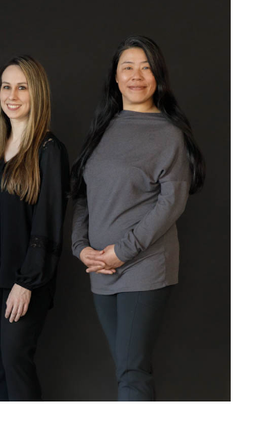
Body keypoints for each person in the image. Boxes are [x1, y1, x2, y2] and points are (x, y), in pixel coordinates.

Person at [69, 35, 202, 400]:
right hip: (100, 268)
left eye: (146, 68)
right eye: (127, 67)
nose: (136, 76)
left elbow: (171, 204)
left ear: (158, 75)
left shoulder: (169, 134)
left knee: (132, 371)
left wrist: (122, 252)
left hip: (144, 266)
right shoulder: (103, 129)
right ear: (115, 76)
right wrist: (80, 247)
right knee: (128, 368)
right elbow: (83, 195)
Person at [0, 56, 66, 401]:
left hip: (24, 280)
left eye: (22, 87)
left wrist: (27, 282)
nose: (12, 95)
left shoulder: (49, 150)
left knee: (15, 360)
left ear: (37, 93)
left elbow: (49, 223)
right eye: (6, 87)